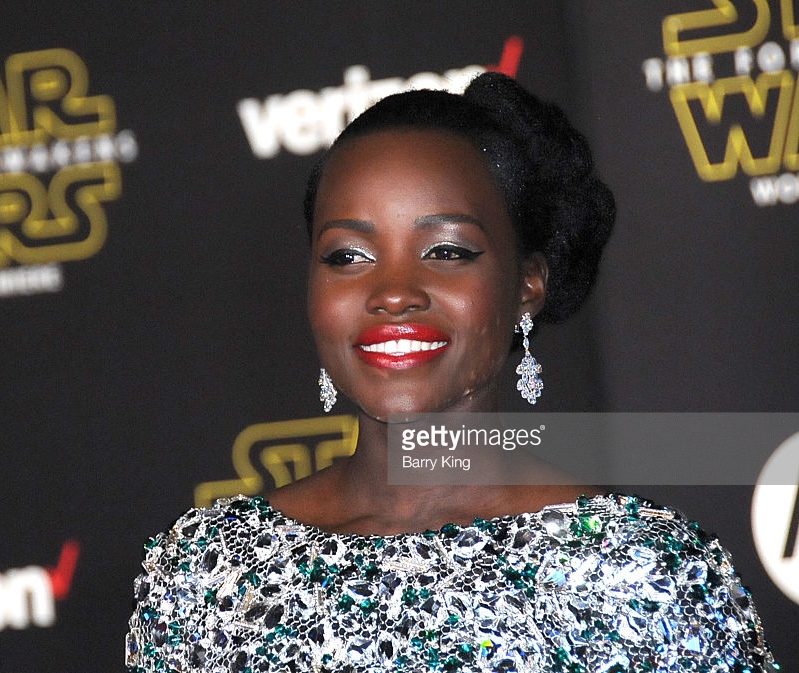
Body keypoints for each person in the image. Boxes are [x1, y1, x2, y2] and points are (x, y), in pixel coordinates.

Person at [126, 73, 777, 672]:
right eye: (348, 256)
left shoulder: (646, 577)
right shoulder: (206, 576)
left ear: (527, 284)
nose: (394, 293)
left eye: (446, 250)